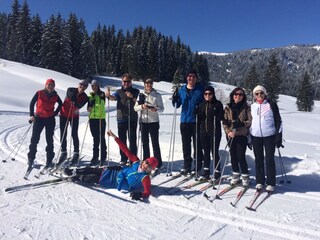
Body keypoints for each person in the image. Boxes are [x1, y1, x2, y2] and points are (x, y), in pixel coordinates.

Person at [63, 130, 158, 200]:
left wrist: (140, 195)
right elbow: (125, 150)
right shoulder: (136, 162)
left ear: (151, 169)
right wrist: (114, 137)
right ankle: (74, 171)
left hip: (114, 182)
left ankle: (77, 177)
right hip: (115, 172)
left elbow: (147, 192)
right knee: (93, 169)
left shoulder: (145, 178)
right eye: (146, 162)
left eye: (149, 166)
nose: (146, 166)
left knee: (92, 178)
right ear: (144, 161)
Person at [250, 85, 283, 192]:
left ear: (265, 94)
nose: (259, 95)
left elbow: (278, 120)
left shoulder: (271, 104)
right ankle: (260, 181)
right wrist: (248, 137)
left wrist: (279, 136)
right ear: (254, 95)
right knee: (258, 159)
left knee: (269, 159)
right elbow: (250, 122)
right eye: (257, 93)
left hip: (269, 136)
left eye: (261, 93)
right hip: (256, 136)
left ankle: (271, 182)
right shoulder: (252, 106)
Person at [171, 69, 204, 175]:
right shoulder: (182, 90)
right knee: (186, 145)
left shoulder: (201, 89)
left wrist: (201, 109)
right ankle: (187, 165)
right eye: (189, 76)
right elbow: (177, 104)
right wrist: (175, 99)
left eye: (193, 76)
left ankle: (198, 165)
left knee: (197, 144)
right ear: (186, 78)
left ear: (196, 78)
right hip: (185, 120)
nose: (191, 78)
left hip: (196, 120)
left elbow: (206, 103)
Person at [27, 79, 62, 171]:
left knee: (49, 140)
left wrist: (55, 112)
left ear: (54, 86)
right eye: (49, 85)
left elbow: (60, 103)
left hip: (50, 119)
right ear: (46, 85)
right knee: (34, 139)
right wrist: (32, 115)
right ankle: (31, 158)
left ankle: (49, 160)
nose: (50, 87)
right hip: (39, 118)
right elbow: (32, 103)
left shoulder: (55, 95)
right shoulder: (39, 93)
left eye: (52, 85)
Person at [105, 73, 140, 165]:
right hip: (121, 118)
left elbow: (139, 102)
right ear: (122, 82)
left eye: (128, 81)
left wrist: (132, 97)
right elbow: (113, 98)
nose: (126, 83)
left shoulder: (136, 91)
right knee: (122, 140)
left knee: (132, 139)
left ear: (131, 82)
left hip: (132, 118)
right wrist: (108, 96)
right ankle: (123, 158)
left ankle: (133, 159)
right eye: (124, 81)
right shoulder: (119, 91)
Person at [223, 87, 252, 187]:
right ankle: (236, 175)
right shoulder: (228, 107)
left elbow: (250, 121)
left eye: (240, 95)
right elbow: (225, 122)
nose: (238, 96)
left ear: (243, 97)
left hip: (241, 135)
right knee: (233, 156)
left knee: (240, 156)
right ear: (232, 95)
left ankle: (245, 176)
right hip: (231, 135)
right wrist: (228, 132)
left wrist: (241, 124)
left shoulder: (246, 107)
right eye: (236, 94)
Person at [134, 78, 164, 172]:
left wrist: (155, 109)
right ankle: (146, 162)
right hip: (143, 121)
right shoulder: (141, 95)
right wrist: (142, 106)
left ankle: (158, 162)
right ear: (144, 84)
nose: (148, 85)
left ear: (152, 84)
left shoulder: (157, 95)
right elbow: (135, 108)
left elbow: (162, 109)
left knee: (155, 143)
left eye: (150, 83)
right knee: (145, 143)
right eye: (147, 83)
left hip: (153, 121)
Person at [58, 80, 89, 165]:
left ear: (86, 87)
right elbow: (70, 95)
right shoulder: (71, 89)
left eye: (85, 86)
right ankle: (63, 152)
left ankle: (76, 153)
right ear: (78, 84)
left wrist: (75, 101)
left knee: (74, 134)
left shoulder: (85, 97)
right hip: (64, 114)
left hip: (74, 116)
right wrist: (74, 99)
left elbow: (79, 105)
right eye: (81, 84)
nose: (82, 86)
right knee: (63, 133)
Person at [197, 86, 224, 181]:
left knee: (214, 152)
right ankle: (206, 170)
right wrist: (196, 114)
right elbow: (199, 119)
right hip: (203, 132)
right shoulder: (201, 105)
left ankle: (217, 171)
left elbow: (222, 117)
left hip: (215, 132)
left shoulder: (218, 104)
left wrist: (218, 113)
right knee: (206, 152)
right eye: (206, 94)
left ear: (213, 94)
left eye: (210, 94)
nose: (207, 95)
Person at [87, 80, 107, 166]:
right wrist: (90, 104)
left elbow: (102, 103)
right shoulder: (90, 95)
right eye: (92, 85)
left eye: (95, 85)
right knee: (95, 138)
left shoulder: (101, 94)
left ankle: (103, 157)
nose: (93, 87)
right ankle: (95, 157)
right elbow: (88, 109)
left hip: (100, 118)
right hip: (92, 119)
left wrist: (97, 97)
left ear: (98, 86)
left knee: (101, 137)